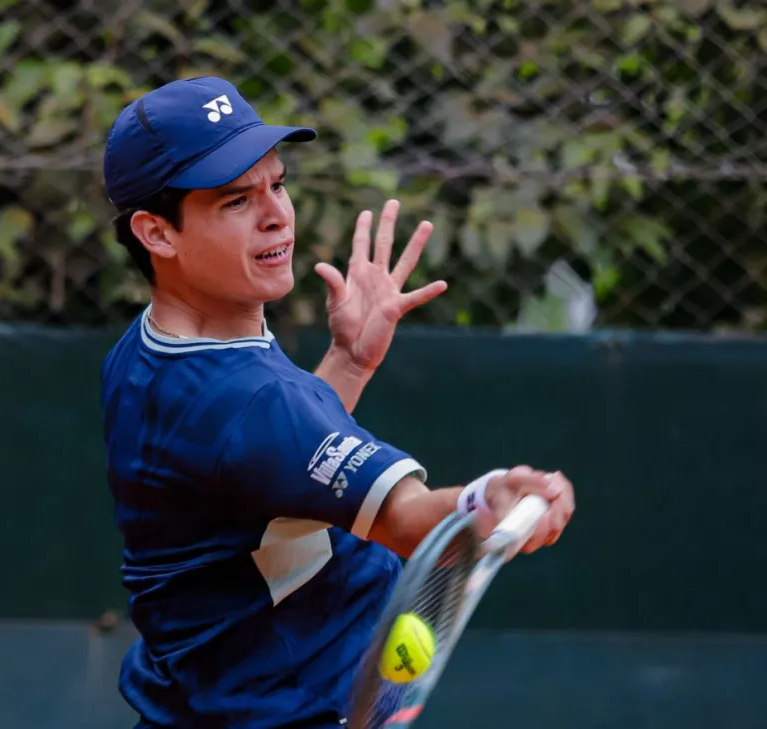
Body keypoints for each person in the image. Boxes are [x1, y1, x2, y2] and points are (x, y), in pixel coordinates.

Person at [99, 76, 575, 729]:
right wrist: (489, 498)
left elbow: (270, 473)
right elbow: (406, 521)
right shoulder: (252, 400)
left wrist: (348, 362)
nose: (276, 215)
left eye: (278, 184)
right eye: (237, 200)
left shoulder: (145, 353)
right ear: (157, 233)